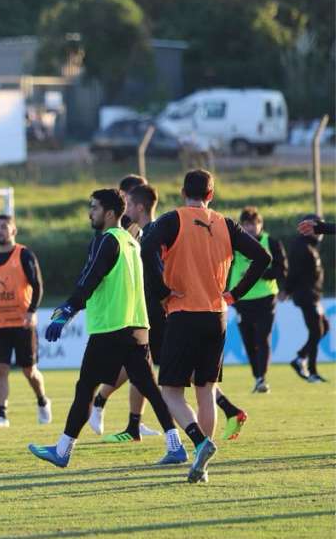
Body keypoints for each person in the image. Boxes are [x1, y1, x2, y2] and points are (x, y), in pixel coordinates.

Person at [27, 190, 188, 470]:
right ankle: (175, 445)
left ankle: (63, 451)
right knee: (149, 387)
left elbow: (90, 278)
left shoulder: (107, 240)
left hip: (111, 328)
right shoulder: (131, 241)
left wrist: (65, 313)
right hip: (138, 326)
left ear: (110, 213)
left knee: (86, 388)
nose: (90, 213)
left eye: (94, 208)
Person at [141, 170, 270, 483]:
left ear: (183, 191)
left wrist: (160, 290)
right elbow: (263, 257)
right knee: (206, 391)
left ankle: (200, 442)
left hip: (183, 313)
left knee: (170, 391)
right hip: (216, 315)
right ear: (211, 195)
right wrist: (234, 294)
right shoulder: (226, 224)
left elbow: (146, 247)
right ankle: (201, 466)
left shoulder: (173, 220)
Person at [89, 183, 164, 442]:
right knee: (146, 370)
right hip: (144, 310)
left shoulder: (153, 230)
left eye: (130, 204)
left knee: (143, 370)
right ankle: (105, 405)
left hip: (149, 309)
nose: (126, 210)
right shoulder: (127, 233)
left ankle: (132, 423)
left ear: (140, 205)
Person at [0, 214, 50, 428]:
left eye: (4, 227)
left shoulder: (24, 254)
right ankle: (2, 415)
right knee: (0, 369)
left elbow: (37, 285)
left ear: (13, 230)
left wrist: (31, 311)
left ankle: (42, 400)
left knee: (29, 370)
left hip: (22, 323)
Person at [228, 207, 287, 393]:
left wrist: (260, 274)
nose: (251, 228)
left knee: (263, 339)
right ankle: (257, 378)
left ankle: (262, 378)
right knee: (248, 341)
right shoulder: (234, 243)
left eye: (254, 224)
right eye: (246, 224)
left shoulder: (271, 242)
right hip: (241, 300)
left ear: (260, 224)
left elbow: (281, 269)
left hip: (266, 298)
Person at [287, 213, 329, 383]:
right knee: (317, 330)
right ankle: (306, 365)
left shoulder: (309, 246)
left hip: (313, 295)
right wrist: (287, 290)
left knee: (322, 327)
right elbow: (294, 272)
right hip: (306, 296)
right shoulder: (301, 246)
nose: (320, 232)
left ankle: (304, 363)